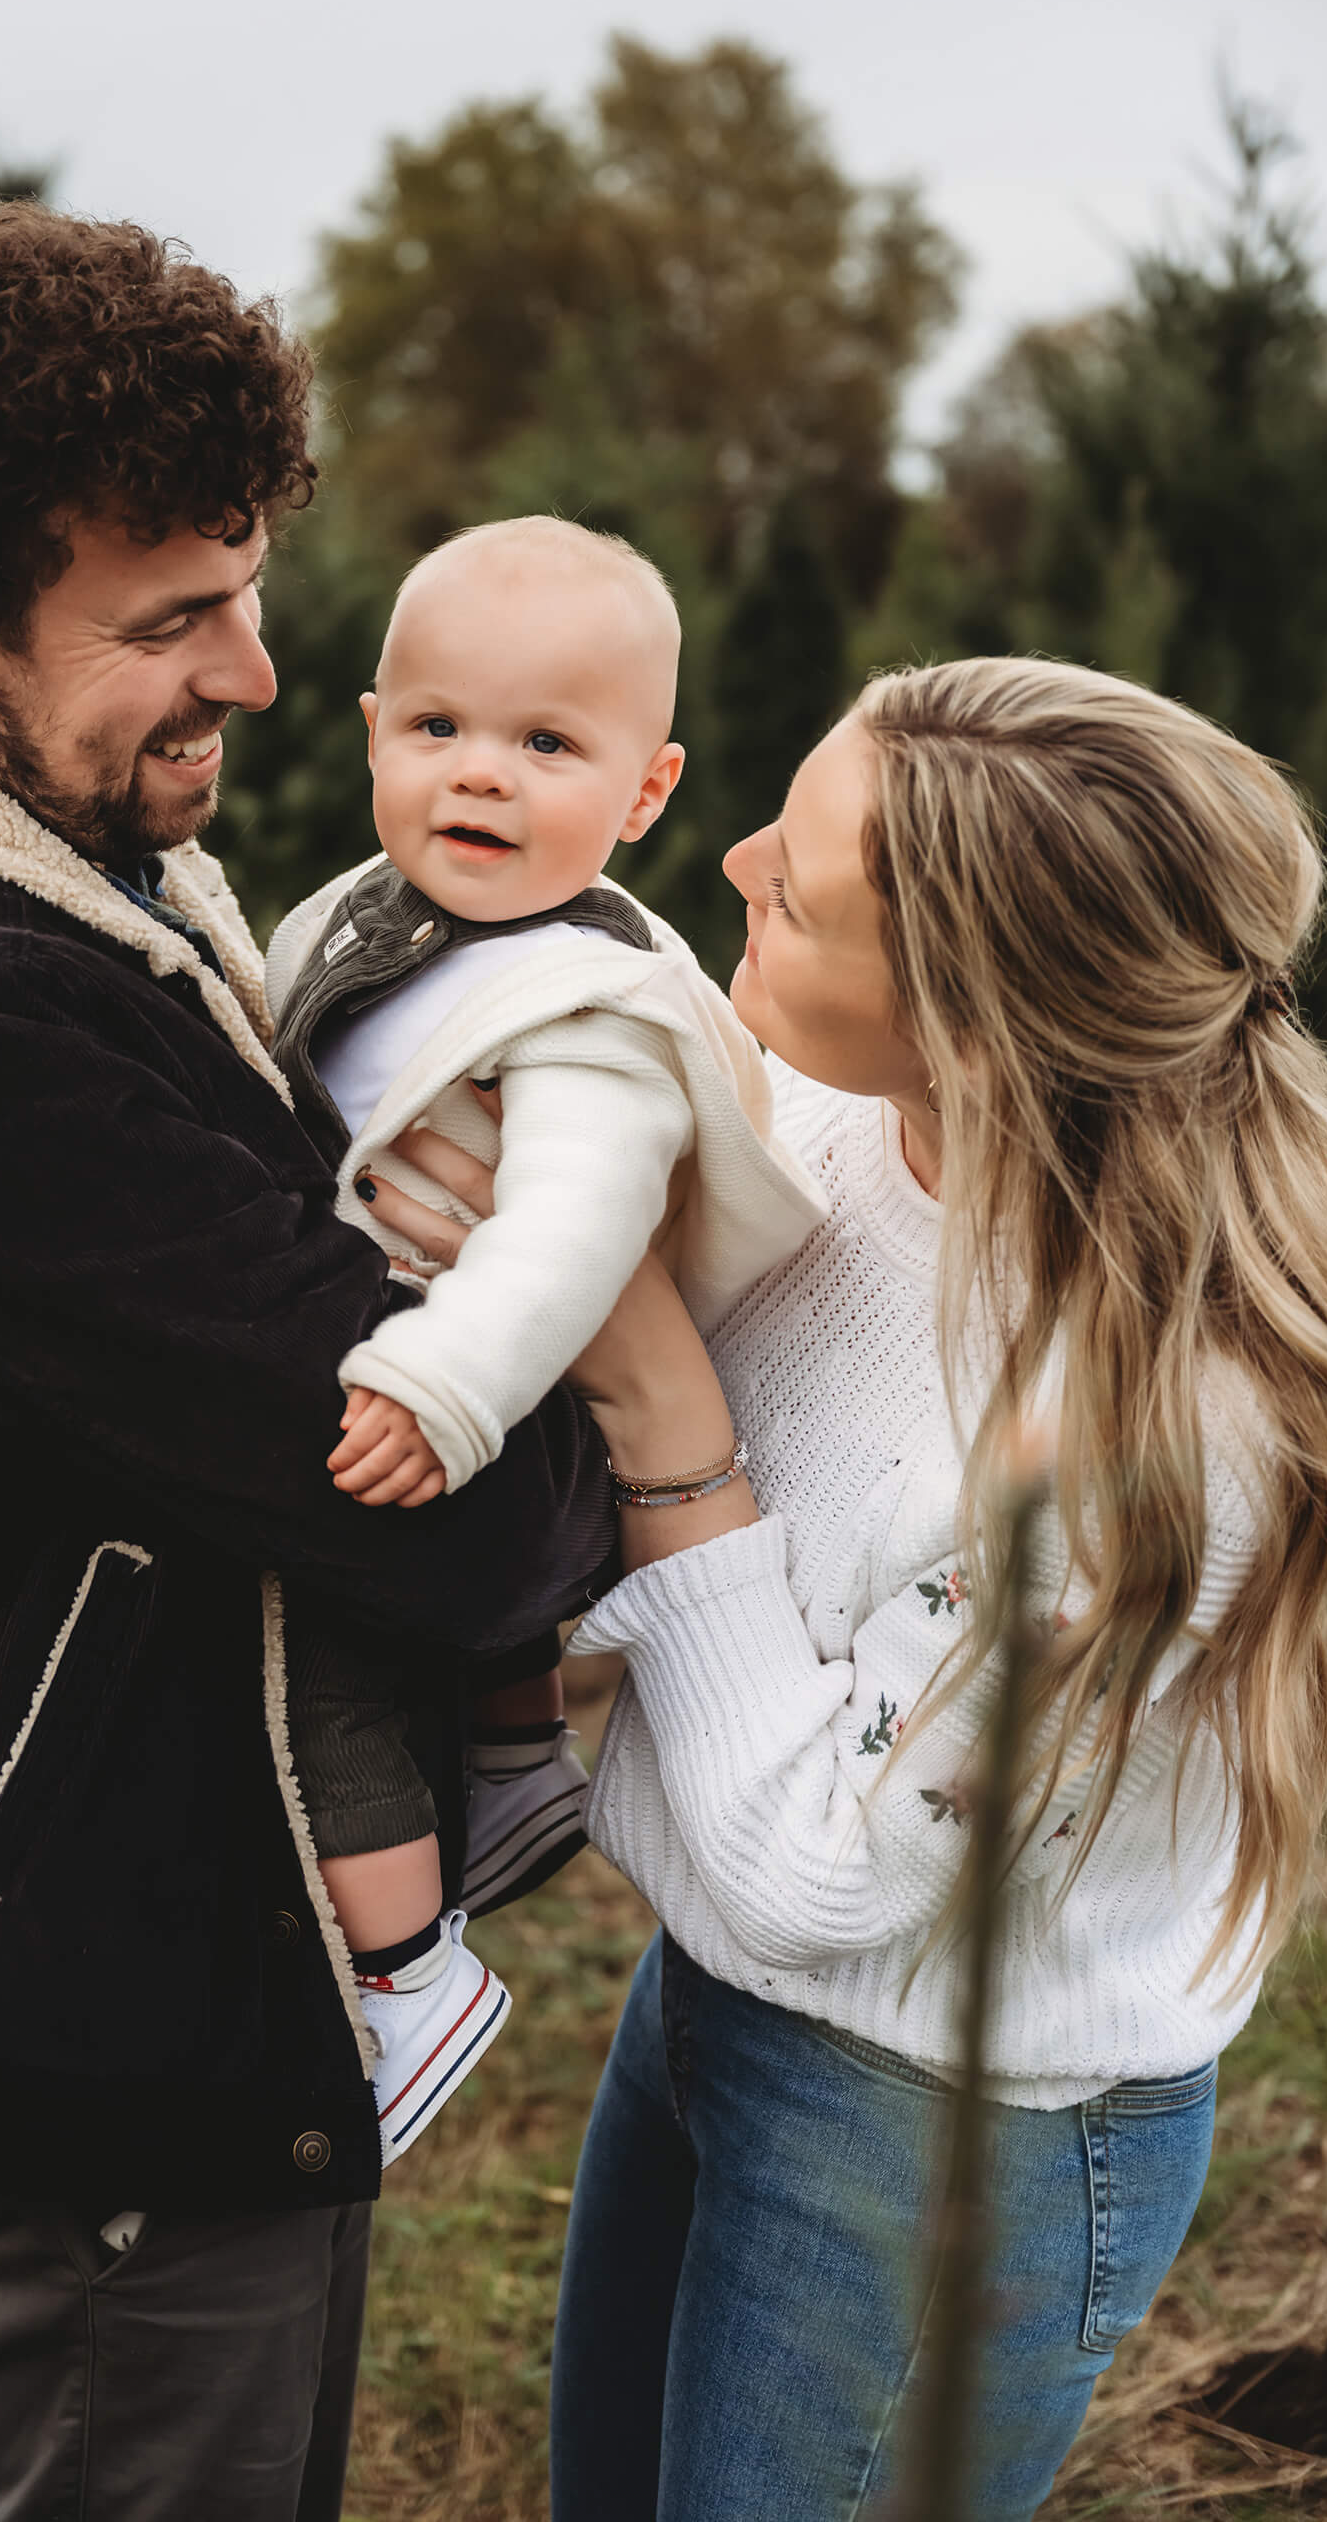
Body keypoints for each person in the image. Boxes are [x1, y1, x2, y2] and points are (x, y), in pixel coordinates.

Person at [0, 201, 618, 2522]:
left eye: (249, 589)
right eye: (169, 619)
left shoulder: (36, 855)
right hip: (73, 2021)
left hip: (143, 1936)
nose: (259, 674)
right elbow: (463, 1506)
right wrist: (625, 1405)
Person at [361, 657, 1327, 2520]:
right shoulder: (823, 1123)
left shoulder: (1147, 1446)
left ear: (976, 1017)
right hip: (710, 1995)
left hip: (940, 2133)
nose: (724, 860)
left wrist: (654, 1390)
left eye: (793, 889)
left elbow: (822, 1870)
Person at [259, 516, 824, 2159]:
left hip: (478, 1391)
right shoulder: (368, 922)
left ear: (645, 795)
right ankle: (511, 1756)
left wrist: (448, 1386)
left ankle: (409, 1972)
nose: (480, 779)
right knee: (410, 1646)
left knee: (320, 1657)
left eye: (546, 746)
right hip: (394, 1355)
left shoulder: (587, 1010)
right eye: (438, 729)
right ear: (371, 731)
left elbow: (571, 1232)